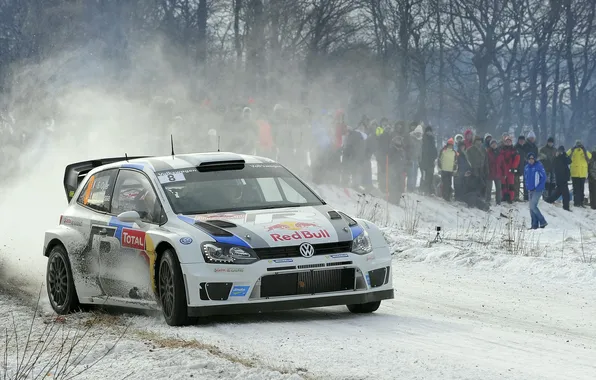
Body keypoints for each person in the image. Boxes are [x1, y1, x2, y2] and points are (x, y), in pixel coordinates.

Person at [524, 152, 547, 229]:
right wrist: (527, 186)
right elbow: (526, 177)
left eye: (532, 159)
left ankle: (542, 221)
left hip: (538, 189)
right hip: (530, 189)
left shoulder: (538, 166)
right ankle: (534, 225)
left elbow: (543, 177)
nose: (531, 160)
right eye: (529, 159)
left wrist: (539, 187)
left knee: (533, 206)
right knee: (531, 208)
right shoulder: (526, 167)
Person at [567, 140, 591, 207]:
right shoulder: (573, 150)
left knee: (582, 189)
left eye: (579, 144)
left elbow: (590, 156)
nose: (578, 146)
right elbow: (566, 154)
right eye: (577, 144)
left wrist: (584, 150)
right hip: (575, 173)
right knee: (575, 188)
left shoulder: (584, 151)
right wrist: (572, 148)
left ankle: (581, 202)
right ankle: (576, 202)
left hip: (582, 173)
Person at [546, 145, 571, 211]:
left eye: (562, 151)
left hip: (564, 177)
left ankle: (548, 200)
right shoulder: (556, 158)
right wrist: (556, 156)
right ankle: (566, 207)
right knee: (566, 194)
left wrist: (565, 154)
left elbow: (570, 161)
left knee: (558, 193)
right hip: (559, 177)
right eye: (560, 151)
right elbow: (553, 164)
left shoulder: (564, 157)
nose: (561, 152)